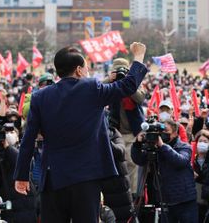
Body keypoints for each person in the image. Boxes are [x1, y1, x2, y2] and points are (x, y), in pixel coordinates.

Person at [14, 42, 148, 222]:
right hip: (86, 179)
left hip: (53, 178)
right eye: (86, 67)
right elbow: (128, 86)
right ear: (78, 70)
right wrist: (138, 56)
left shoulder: (39, 97)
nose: (88, 72)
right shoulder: (92, 88)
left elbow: (28, 139)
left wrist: (21, 175)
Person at [131, 119, 197, 222]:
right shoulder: (155, 148)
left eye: (166, 131)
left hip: (185, 200)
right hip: (165, 200)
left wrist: (162, 146)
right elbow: (139, 160)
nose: (162, 135)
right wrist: (137, 144)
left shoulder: (184, 147)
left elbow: (180, 161)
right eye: (160, 132)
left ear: (175, 133)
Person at [104, 58, 146, 195]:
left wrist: (128, 82)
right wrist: (109, 79)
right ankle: (120, 195)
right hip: (115, 132)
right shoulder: (111, 85)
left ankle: (132, 196)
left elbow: (140, 98)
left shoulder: (135, 83)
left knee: (131, 164)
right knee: (116, 166)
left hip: (133, 132)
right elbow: (94, 91)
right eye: (118, 71)